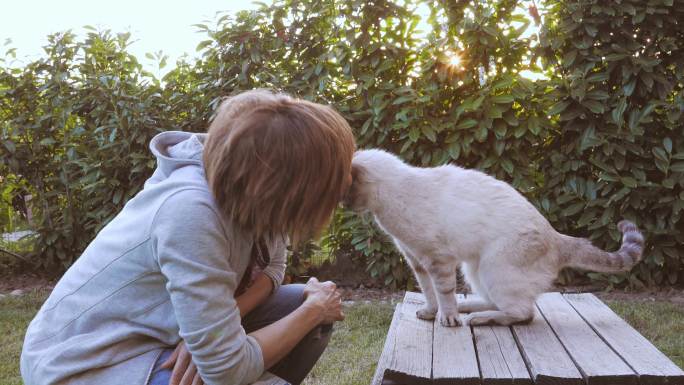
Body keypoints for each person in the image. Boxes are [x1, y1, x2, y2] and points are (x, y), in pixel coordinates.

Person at [20, 90, 356, 385]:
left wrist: (212, 334)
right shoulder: (191, 212)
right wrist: (314, 310)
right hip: (89, 362)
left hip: (158, 334)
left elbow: (275, 265)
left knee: (294, 301)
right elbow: (226, 371)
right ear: (284, 182)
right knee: (303, 313)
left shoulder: (249, 193)